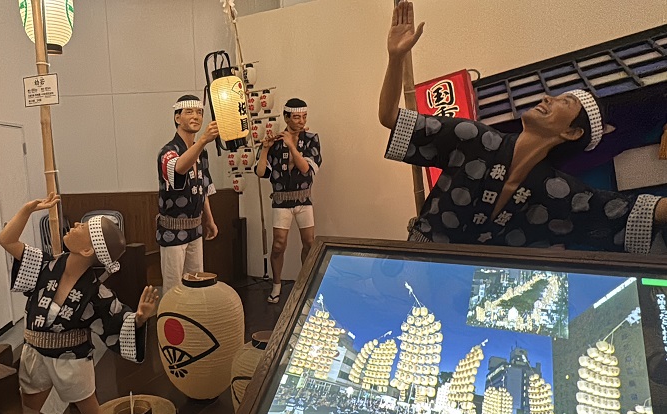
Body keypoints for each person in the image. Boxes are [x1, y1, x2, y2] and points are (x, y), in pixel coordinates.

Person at [380, 1, 667, 253]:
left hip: (470, 283)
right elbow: (391, 117)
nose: (547, 98)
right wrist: (396, 58)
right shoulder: (474, 138)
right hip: (418, 258)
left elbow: (627, 211)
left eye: (564, 102)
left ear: (571, 132)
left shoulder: (558, 192)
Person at [0, 193, 160, 414]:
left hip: (72, 358)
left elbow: (118, 319)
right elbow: (7, 240)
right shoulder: (44, 266)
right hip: (35, 353)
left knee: (91, 412)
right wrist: (27, 210)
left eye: (82, 228)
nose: (74, 225)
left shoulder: (95, 292)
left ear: (87, 249)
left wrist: (139, 318)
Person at [255, 98, 323, 303]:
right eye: (296, 117)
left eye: (304, 117)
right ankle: (276, 285)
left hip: (304, 199)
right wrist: (265, 148)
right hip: (281, 201)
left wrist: (292, 146)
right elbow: (260, 172)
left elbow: (306, 168)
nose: (301, 121)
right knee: (278, 244)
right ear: (286, 118)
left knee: (309, 243)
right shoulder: (276, 142)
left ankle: (305, 284)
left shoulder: (311, 139)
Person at [157, 95, 219, 292]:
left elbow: (203, 188)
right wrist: (203, 140)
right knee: (174, 288)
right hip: (172, 230)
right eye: (189, 112)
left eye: (199, 112)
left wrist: (209, 220)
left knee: (196, 283)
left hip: (195, 228)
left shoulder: (202, 152)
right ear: (177, 118)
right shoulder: (168, 151)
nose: (196, 116)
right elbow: (179, 168)